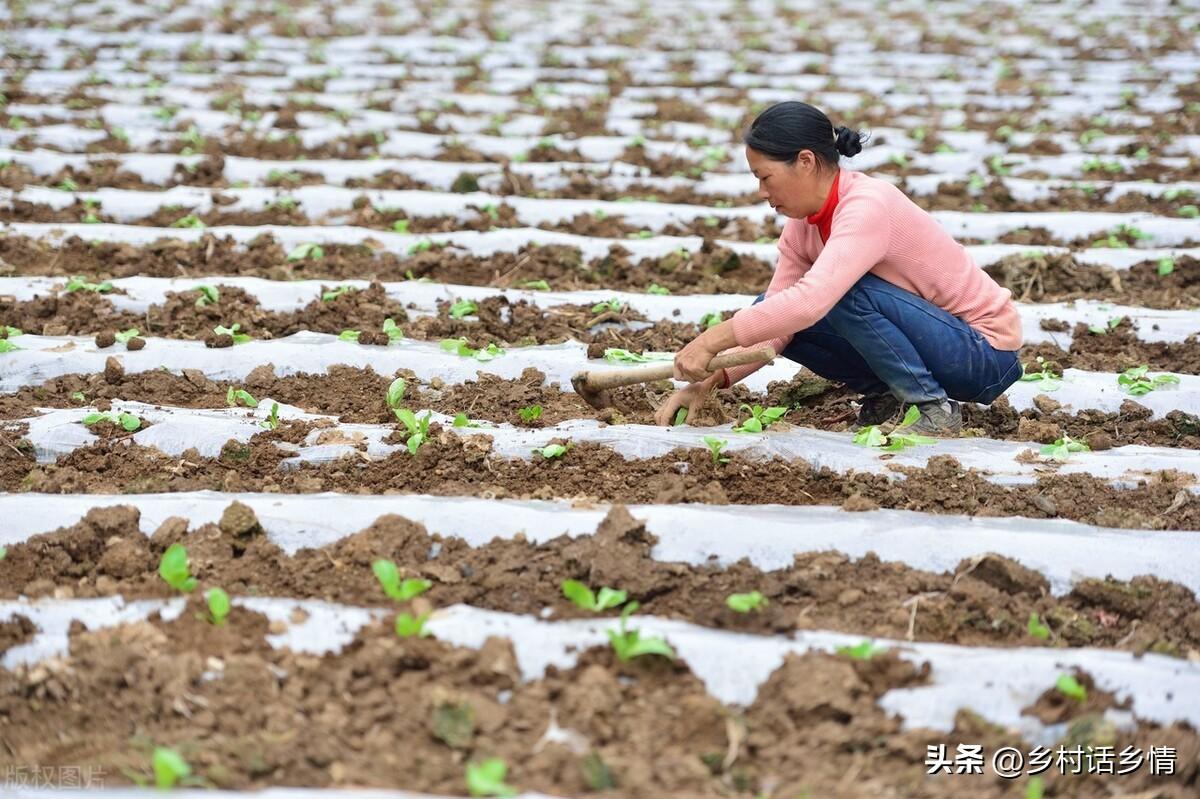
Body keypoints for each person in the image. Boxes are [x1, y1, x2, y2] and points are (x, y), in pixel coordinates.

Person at [654, 101, 1024, 435]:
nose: (762, 192)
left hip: (983, 353)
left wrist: (709, 341)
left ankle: (931, 408)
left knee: (838, 293)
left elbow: (813, 300)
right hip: (938, 348)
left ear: (805, 161)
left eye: (765, 177)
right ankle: (888, 394)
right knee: (774, 306)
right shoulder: (803, 226)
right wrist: (708, 381)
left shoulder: (867, 205)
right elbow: (777, 320)